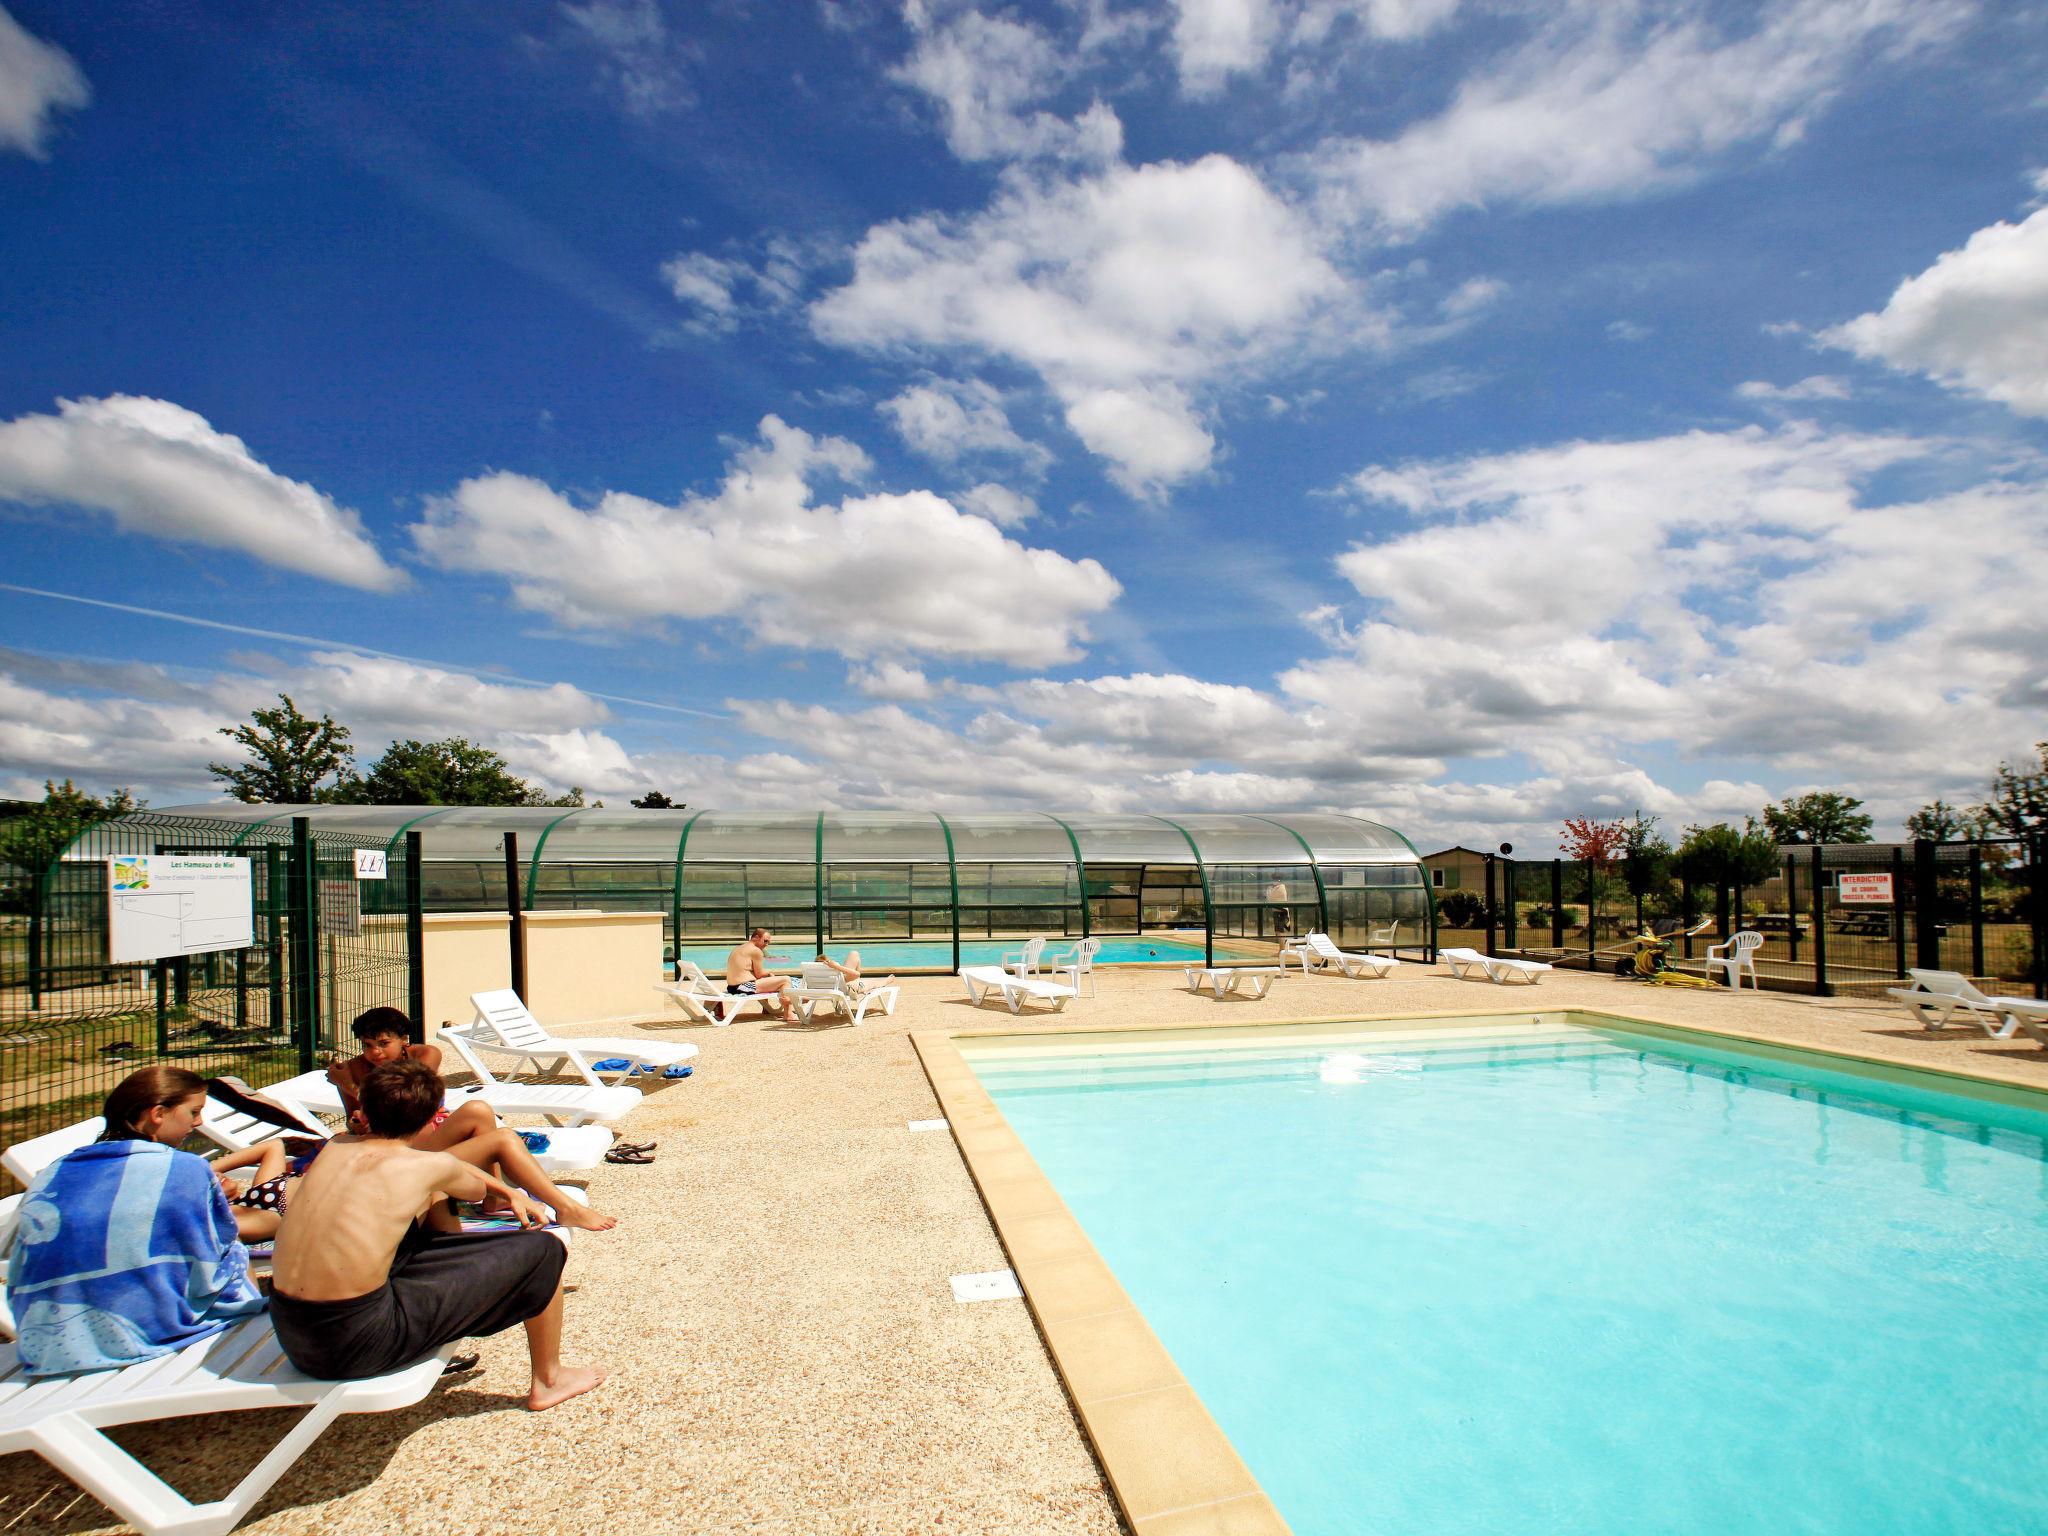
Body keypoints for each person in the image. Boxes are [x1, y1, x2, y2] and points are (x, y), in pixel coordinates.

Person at [268, 1058, 605, 1410]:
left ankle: (548, 1376)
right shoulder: (426, 1165)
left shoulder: (336, 1146)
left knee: (415, 1236)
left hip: (292, 1333)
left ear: (364, 1110)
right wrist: (510, 1192)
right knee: (543, 1248)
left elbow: (442, 1169)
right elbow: (471, 1190)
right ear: (433, 1119)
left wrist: (508, 1193)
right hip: (356, 1345)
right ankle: (549, 1379)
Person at [6, 1067, 267, 1377]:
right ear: (158, 1113)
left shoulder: (56, 1170)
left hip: (46, 1340)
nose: (198, 1123)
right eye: (194, 1112)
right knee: (234, 1250)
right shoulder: (182, 1169)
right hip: (141, 1331)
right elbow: (210, 1256)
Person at [330, 1006, 617, 1232]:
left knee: (478, 1108)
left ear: (404, 1040)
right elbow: (357, 1124)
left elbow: (413, 1098)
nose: (375, 1053)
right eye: (368, 1045)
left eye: (383, 1043)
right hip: (402, 1151)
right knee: (502, 1138)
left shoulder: (425, 1054)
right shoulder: (353, 1070)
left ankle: (495, 1199)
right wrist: (354, 1109)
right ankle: (563, 1207)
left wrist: (352, 1089)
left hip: (426, 1135)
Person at [726, 927, 797, 1022]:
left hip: (732, 987)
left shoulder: (738, 948)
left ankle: (766, 1009)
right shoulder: (756, 951)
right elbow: (759, 974)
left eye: (768, 942)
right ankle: (788, 1013)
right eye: (765, 941)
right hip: (744, 986)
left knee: (765, 980)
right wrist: (770, 972)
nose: (766, 944)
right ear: (756, 937)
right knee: (785, 980)